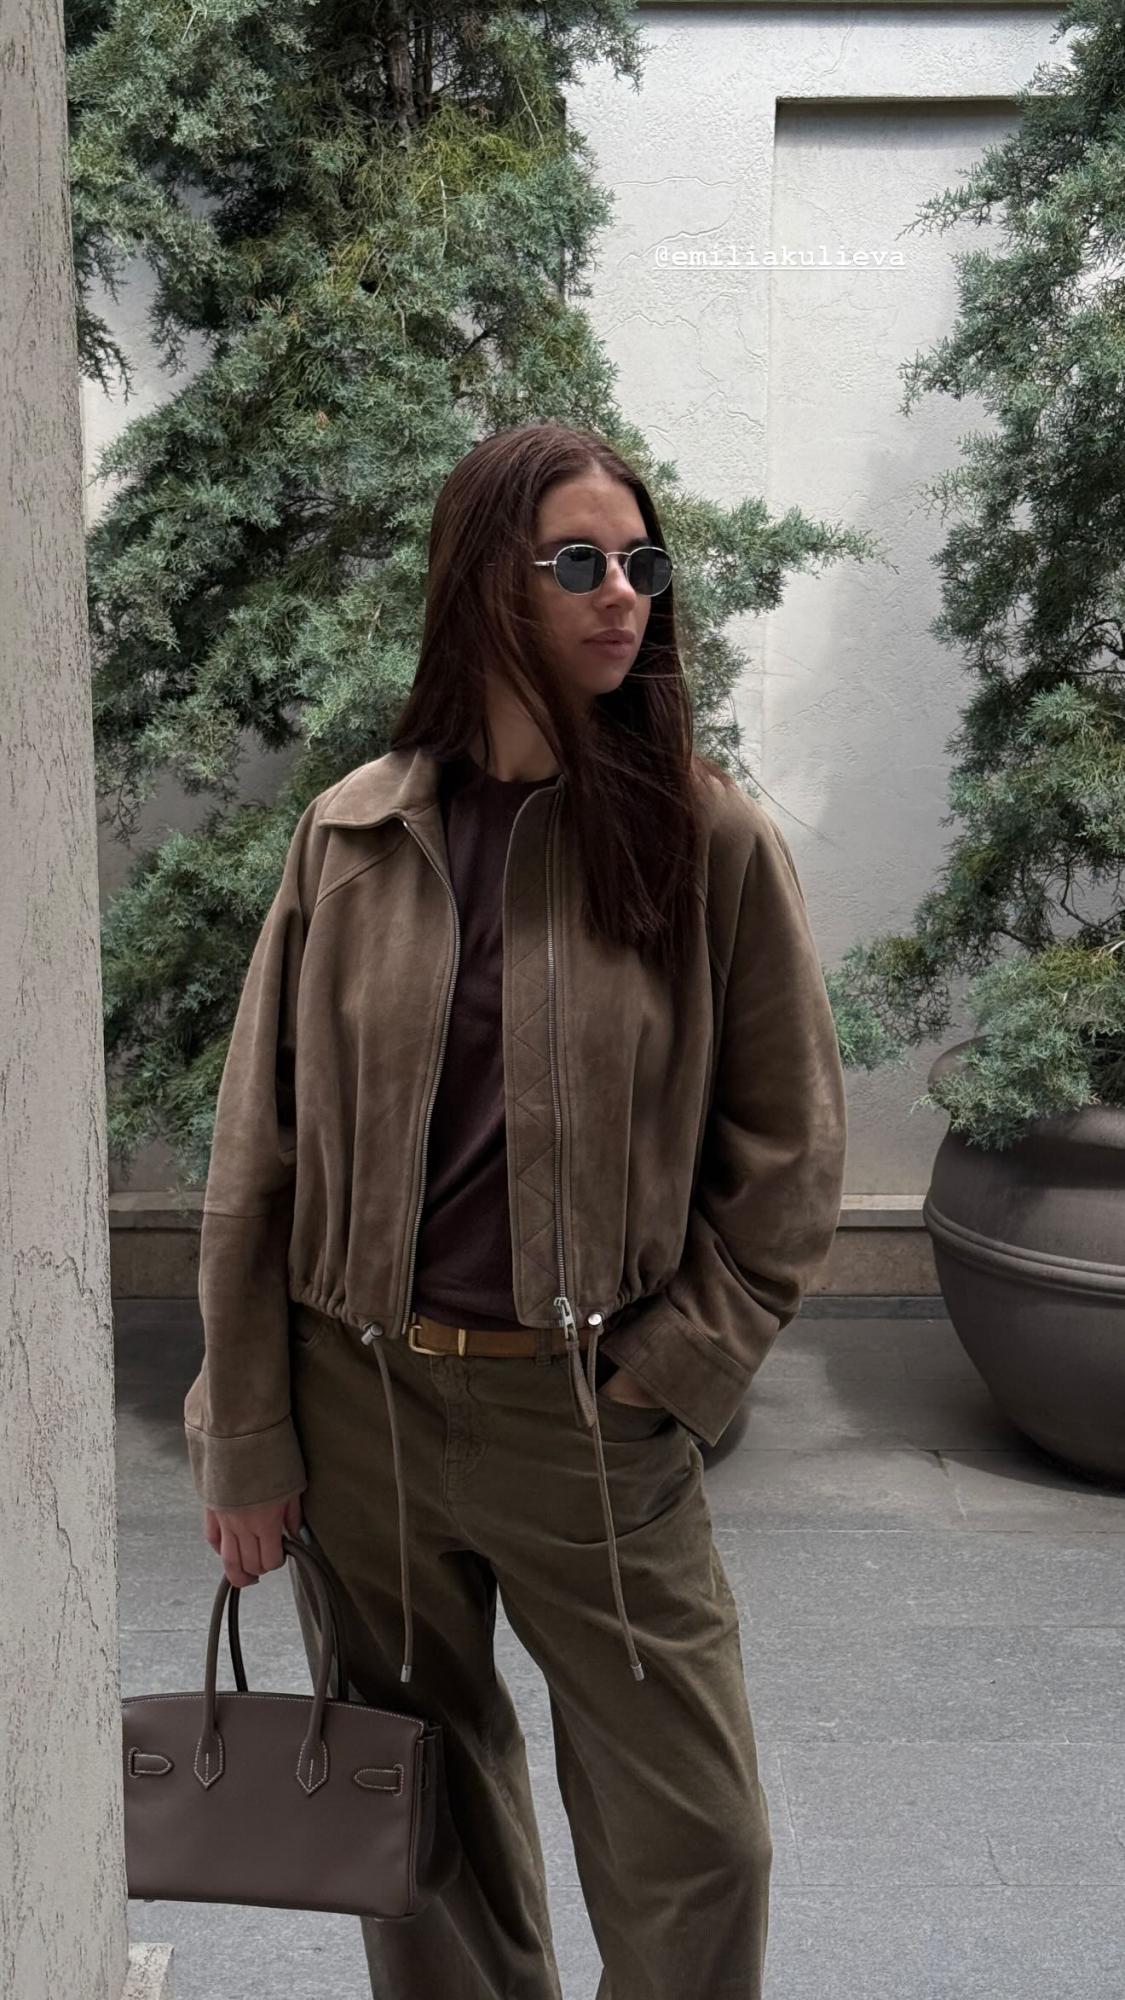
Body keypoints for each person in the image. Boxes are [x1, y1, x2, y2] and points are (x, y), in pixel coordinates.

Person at [183, 420, 848, 1999]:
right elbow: (257, 1154)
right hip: (362, 1412)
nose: (624, 593)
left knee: (701, 1841)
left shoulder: (705, 840)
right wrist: (249, 1432)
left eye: (639, 562)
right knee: (415, 1827)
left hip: (589, 1417)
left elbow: (788, 1154)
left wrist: (670, 1376)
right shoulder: (352, 836)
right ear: (485, 582)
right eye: (578, 562)